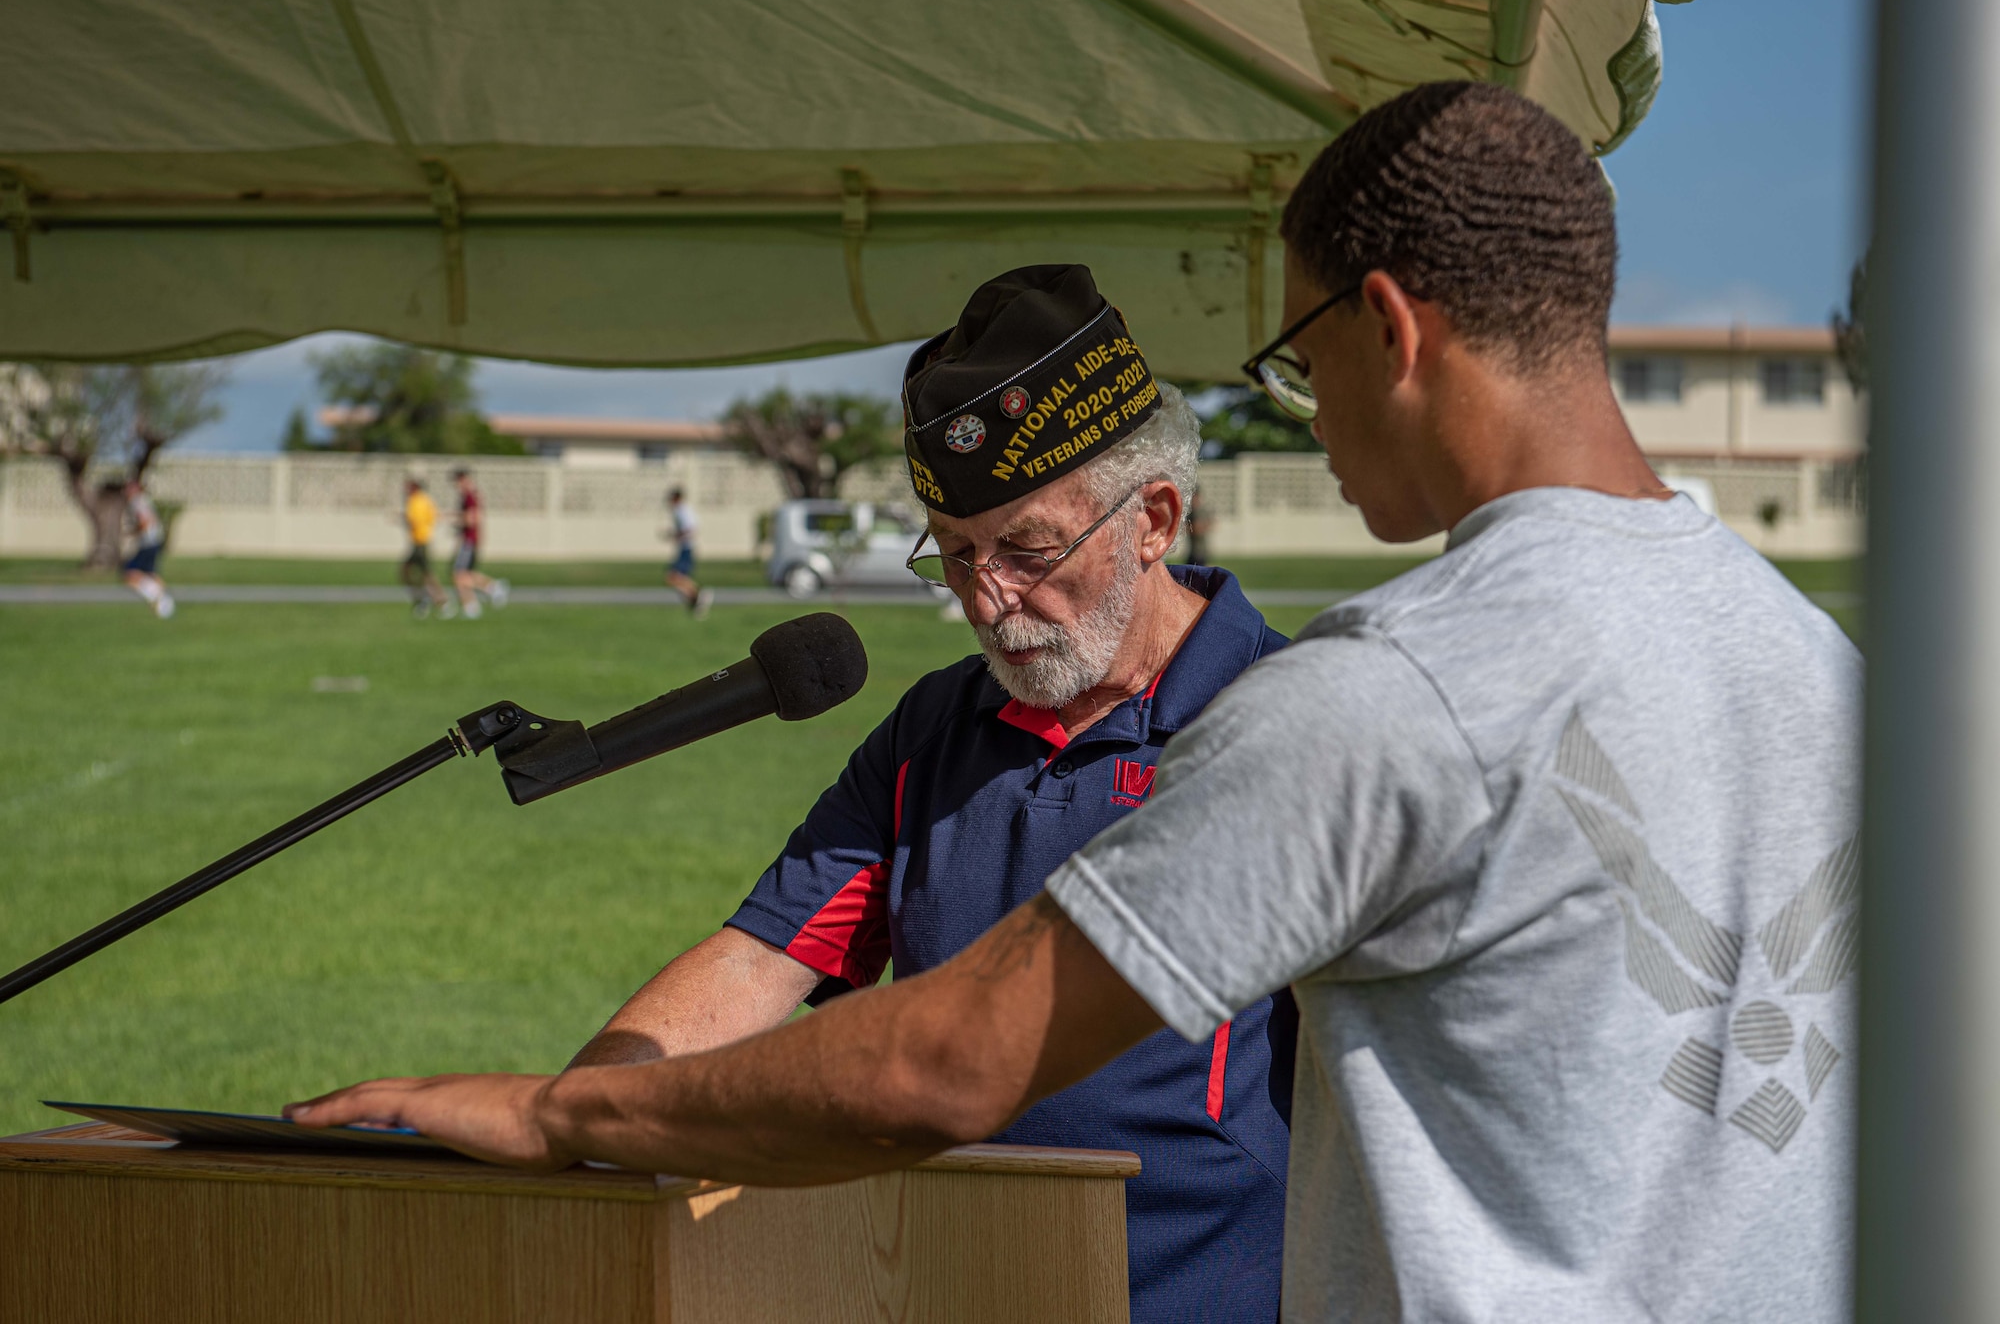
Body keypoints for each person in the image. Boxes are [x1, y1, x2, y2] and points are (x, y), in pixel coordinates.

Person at [293, 85, 1861, 1322]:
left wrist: (564, 1112)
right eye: (954, 556)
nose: (1304, 409)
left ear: (1386, 325)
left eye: (1302, 350)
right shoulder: (1833, 672)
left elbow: (946, 1063)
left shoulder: (1381, 692)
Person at [449, 467, 509, 618]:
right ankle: (474, 604)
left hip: (469, 540)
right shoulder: (472, 494)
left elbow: (472, 519)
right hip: (470, 539)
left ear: (462, 479)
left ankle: (490, 590)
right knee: (464, 574)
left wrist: (454, 520)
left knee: (459, 575)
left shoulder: (469, 496)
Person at [110, 478, 174, 618]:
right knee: (149, 572)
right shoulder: (143, 500)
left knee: (129, 572)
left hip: (148, 542)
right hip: (154, 541)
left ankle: (158, 597)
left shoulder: (136, 502)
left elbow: (145, 521)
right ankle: (164, 602)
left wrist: (132, 531)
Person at [399, 477, 451, 618]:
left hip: (419, 542)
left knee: (423, 573)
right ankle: (427, 599)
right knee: (416, 572)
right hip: (424, 540)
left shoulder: (414, 501)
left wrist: (403, 518)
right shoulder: (426, 500)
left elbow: (413, 520)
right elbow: (434, 516)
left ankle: (439, 601)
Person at [662, 487, 713, 618]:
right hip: (684, 547)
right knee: (676, 578)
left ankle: (699, 595)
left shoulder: (682, 511)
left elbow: (690, 529)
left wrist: (674, 535)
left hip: (686, 547)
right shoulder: (683, 510)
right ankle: (695, 601)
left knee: (674, 577)